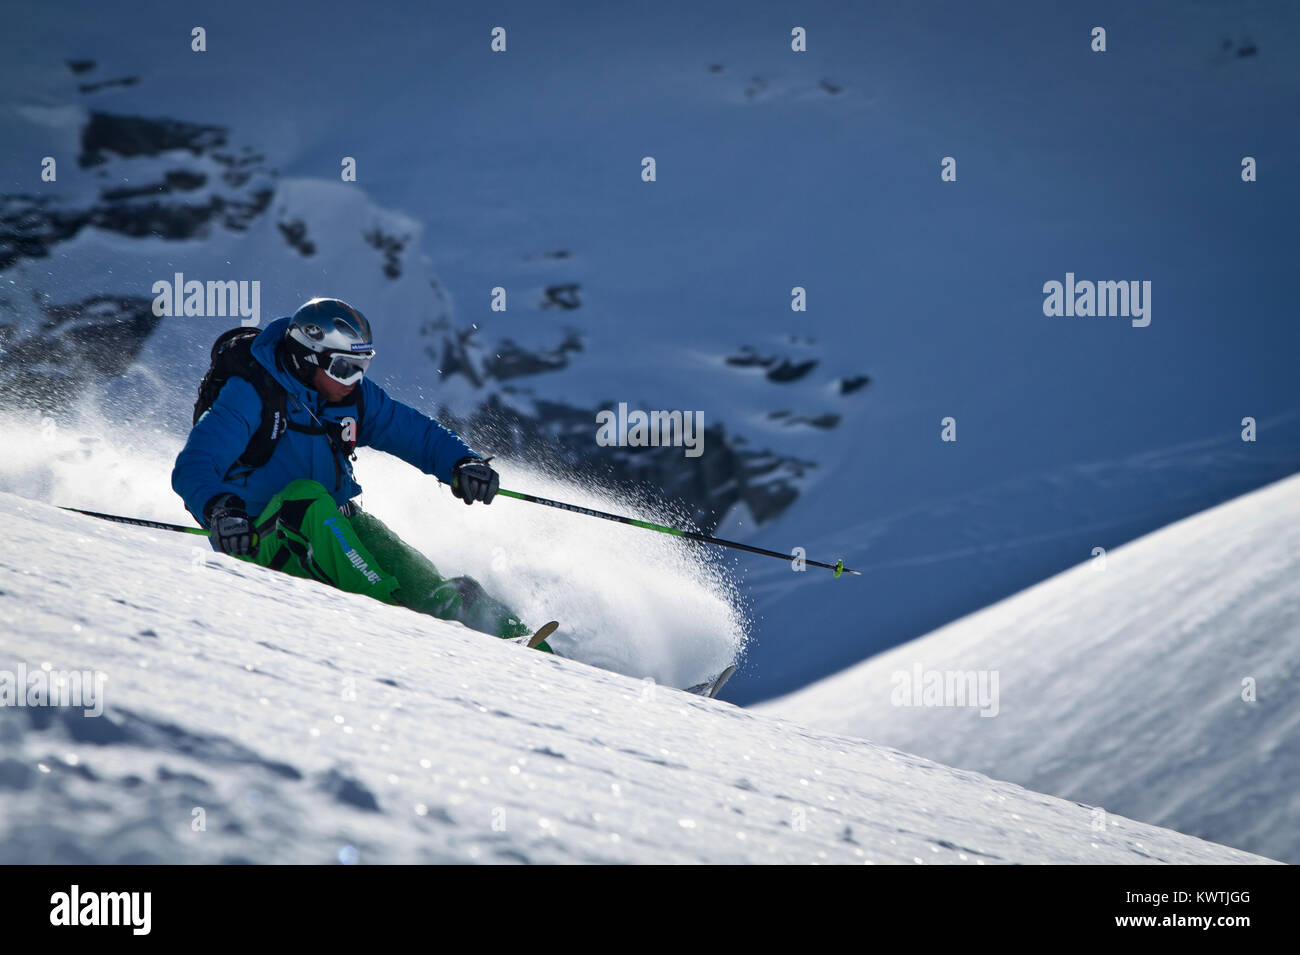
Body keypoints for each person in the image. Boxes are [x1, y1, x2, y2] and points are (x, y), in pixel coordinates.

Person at [171, 297, 550, 649]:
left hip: (334, 529)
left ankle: (523, 648)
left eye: (362, 366)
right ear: (307, 358)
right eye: (344, 367)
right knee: (307, 498)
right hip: (262, 539)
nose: (354, 378)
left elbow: (412, 430)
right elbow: (195, 464)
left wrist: (462, 463)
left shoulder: (350, 396)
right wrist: (220, 510)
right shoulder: (251, 394)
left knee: (437, 587)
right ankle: (404, 625)